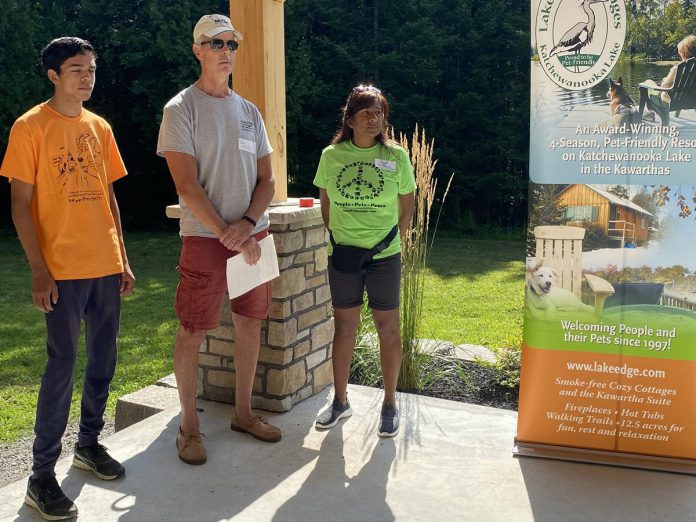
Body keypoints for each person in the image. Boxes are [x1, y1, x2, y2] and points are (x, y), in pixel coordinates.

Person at [1, 37, 135, 520]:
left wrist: (122, 257)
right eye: (77, 69)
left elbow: (108, 197)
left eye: (92, 69)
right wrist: (40, 271)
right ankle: (41, 477)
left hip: (105, 264)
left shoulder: (99, 127)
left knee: (105, 358)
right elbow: (20, 206)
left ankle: (89, 444)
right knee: (62, 365)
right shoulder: (30, 126)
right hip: (62, 270)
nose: (87, 78)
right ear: (53, 75)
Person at [157, 13, 278, 466]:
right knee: (193, 330)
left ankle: (244, 414)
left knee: (251, 323)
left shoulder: (248, 111)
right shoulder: (180, 109)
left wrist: (246, 225)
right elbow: (186, 185)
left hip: (254, 236)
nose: (226, 50)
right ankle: (189, 427)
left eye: (232, 43)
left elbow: (267, 179)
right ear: (197, 50)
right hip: (204, 240)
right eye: (215, 42)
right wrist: (228, 233)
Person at [313, 85, 415, 437]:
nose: (375, 119)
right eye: (367, 113)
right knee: (344, 328)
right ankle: (340, 401)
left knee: (388, 329)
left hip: (385, 256)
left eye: (380, 113)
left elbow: (407, 206)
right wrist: (345, 239)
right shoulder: (331, 156)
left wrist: (388, 241)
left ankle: (390, 403)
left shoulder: (397, 157)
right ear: (350, 118)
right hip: (343, 255)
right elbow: (326, 205)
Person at [642, 35, 696, 120]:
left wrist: (666, 80)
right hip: (692, 100)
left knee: (648, 83)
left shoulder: (677, 69)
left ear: (685, 53)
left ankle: (650, 113)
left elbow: (663, 87)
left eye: (680, 53)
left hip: (669, 103)